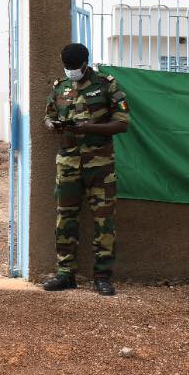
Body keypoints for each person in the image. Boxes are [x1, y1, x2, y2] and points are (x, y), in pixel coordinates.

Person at [42, 43, 130, 296]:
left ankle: (102, 276)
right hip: (68, 163)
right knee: (65, 218)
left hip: (100, 165)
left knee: (104, 220)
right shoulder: (60, 86)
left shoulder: (106, 84)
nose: (70, 71)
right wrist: (52, 125)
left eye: (74, 67)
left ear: (84, 63)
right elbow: (47, 115)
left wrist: (88, 128)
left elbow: (122, 124)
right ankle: (65, 273)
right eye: (66, 67)